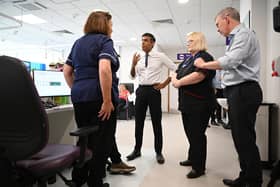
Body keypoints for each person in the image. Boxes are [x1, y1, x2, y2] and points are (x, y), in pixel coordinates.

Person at [194, 7, 263, 187]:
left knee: (245, 139)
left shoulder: (244, 34)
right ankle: (245, 176)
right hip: (237, 91)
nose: (217, 29)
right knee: (240, 139)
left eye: (218, 24)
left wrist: (204, 64)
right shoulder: (234, 39)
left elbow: (231, 61)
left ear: (227, 18)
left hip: (244, 90)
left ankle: (254, 181)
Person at [63, 10, 119, 187]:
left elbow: (67, 71)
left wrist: (77, 88)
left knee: (85, 137)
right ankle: (95, 181)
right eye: (110, 24)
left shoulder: (78, 43)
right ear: (104, 25)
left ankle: (78, 178)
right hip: (99, 97)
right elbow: (104, 69)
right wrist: (107, 100)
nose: (112, 27)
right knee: (102, 140)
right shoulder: (105, 41)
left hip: (80, 97)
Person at [171, 32, 216, 178]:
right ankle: (192, 158)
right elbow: (176, 73)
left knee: (197, 135)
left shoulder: (205, 57)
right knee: (190, 134)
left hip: (200, 104)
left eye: (190, 40)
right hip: (187, 104)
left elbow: (199, 75)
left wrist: (178, 82)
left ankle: (199, 167)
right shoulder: (188, 60)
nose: (187, 43)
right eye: (187, 41)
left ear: (199, 41)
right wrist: (173, 78)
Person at [127, 33, 177, 164]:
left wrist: (165, 83)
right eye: (142, 41)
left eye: (146, 41)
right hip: (141, 90)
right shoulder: (138, 58)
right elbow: (132, 76)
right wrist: (133, 64)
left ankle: (158, 152)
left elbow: (176, 68)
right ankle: (137, 150)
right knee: (139, 122)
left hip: (154, 91)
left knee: (156, 121)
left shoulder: (160, 56)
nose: (143, 43)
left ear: (153, 43)